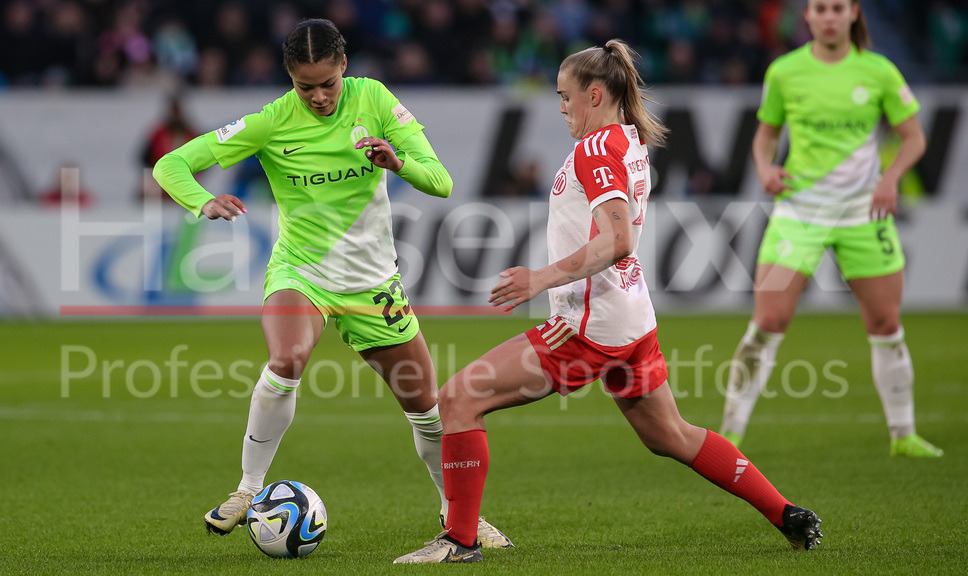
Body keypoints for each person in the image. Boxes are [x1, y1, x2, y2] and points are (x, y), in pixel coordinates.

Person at [394, 39, 822, 564]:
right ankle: (786, 512)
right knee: (671, 435)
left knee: (459, 400)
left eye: (565, 96)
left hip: (588, 323)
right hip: (629, 318)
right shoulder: (629, 140)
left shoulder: (596, 149)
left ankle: (458, 541)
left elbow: (619, 240)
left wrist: (540, 278)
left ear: (595, 94)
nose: (561, 107)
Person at [152, 18, 513, 547]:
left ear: (344, 66)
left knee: (427, 409)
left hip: (373, 284)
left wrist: (399, 162)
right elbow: (172, 165)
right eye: (305, 86)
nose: (319, 96)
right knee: (287, 359)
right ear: (289, 78)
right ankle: (250, 488)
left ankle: (458, 517)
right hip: (303, 271)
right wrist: (201, 200)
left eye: (327, 83)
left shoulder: (374, 100)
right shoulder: (272, 120)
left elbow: (441, 180)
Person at [718, 0, 942, 458]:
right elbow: (765, 135)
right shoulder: (784, 71)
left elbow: (914, 137)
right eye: (820, 8)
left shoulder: (879, 71)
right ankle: (730, 431)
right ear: (808, 15)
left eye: (837, 8)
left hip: (864, 214)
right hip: (799, 212)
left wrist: (890, 178)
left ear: (854, 13)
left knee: (886, 323)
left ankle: (904, 435)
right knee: (768, 321)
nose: (829, 16)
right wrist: (764, 167)